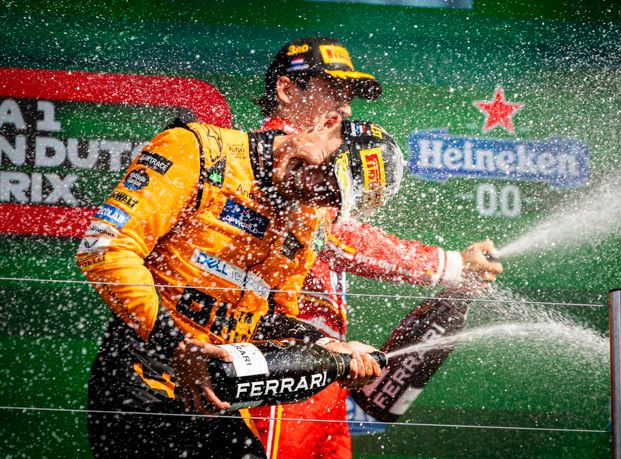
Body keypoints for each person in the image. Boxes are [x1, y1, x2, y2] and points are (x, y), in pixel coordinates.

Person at [77, 113, 404, 458]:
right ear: (325, 124)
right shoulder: (198, 150)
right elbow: (104, 250)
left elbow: (267, 318)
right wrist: (178, 347)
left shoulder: (311, 217)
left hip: (216, 391)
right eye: (327, 167)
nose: (314, 186)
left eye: (332, 194)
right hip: (144, 373)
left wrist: (327, 347)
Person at [250, 37, 503, 459]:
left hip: (325, 369)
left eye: (348, 95)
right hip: (278, 365)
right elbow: (335, 240)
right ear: (287, 90)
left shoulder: (323, 167)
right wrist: (452, 265)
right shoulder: (271, 158)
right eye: (333, 91)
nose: (346, 108)